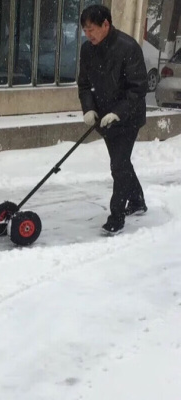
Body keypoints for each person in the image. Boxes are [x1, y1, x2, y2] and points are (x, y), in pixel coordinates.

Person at [78, 4, 148, 235]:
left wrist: (118, 112)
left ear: (106, 24)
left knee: (118, 165)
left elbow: (137, 89)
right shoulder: (87, 50)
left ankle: (116, 216)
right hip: (103, 119)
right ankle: (137, 200)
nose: (88, 35)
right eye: (85, 31)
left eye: (91, 30)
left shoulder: (128, 47)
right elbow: (85, 84)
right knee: (122, 162)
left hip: (128, 117)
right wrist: (89, 109)